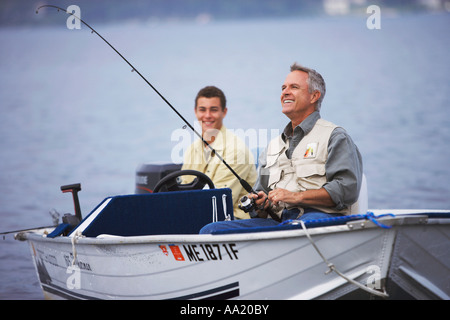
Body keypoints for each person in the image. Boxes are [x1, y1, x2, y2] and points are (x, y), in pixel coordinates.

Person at [200, 63, 363, 233]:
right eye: (283, 87)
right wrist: (261, 204)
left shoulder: (335, 137)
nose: (285, 92)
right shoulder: (272, 147)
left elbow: (347, 190)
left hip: (319, 219)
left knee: (296, 227)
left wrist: (296, 197)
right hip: (281, 223)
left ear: (314, 96)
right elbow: (260, 201)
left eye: (294, 87)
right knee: (210, 231)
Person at [181, 86, 257, 219]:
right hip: (197, 216)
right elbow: (182, 191)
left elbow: (218, 204)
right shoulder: (191, 150)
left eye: (214, 110)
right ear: (195, 112)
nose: (207, 115)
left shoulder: (236, 151)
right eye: (202, 110)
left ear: (224, 112)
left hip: (232, 222)